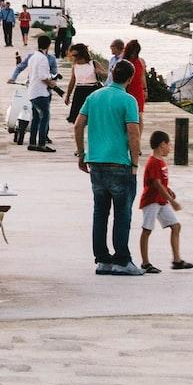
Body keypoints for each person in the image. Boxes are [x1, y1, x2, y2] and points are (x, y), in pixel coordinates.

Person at [73, 58, 143, 276]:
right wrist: (135, 162)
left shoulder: (94, 97)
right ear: (130, 78)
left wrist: (82, 154)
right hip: (119, 163)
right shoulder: (128, 100)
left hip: (96, 163)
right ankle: (122, 260)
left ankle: (102, 260)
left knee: (100, 212)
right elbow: (133, 132)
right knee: (122, 214)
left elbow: (78, 124)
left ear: (112, 73)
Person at [138, 130, 193, 273]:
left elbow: (161, 183)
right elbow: (156, 184)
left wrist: (168, 190)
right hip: (152, 200)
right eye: (169, 145)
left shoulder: (161, 162)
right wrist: (172, 201)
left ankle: (177, 260)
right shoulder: (154, 163)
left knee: (176, 226)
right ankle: (145, 262)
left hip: (161, 200)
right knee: (147, 230)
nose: (170, 148)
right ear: (162, 145)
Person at [8, 35, 58, 152]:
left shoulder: (33, 57)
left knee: (35, 117)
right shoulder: (44, 58)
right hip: (42, 91)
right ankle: (41, 143)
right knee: (45, 116)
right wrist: (51, 83)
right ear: (49, 45)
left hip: (33, 90)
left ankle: (32, 142)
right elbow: (44, 76)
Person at [63, 42, 102, 127]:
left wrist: (100, 72)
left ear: (82, 54)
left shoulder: (94, 63)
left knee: (94, 118)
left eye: (75, 56)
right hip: (79, 91)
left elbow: (106, 75)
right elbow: (72, 81)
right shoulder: (75, 66)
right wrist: (68, 96)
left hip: (93, 90)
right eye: (73, 56)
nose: (74, 58)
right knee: (78, 119)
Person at [122, 39, 148, 115]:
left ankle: (139, 127)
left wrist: (145, 89)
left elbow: (142, 76)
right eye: (132, 52)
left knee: (139, 114)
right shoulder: (123, 61)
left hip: (138, 89)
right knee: (126, 113)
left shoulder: (141, 61)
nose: (133, 54)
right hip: (126, 89)